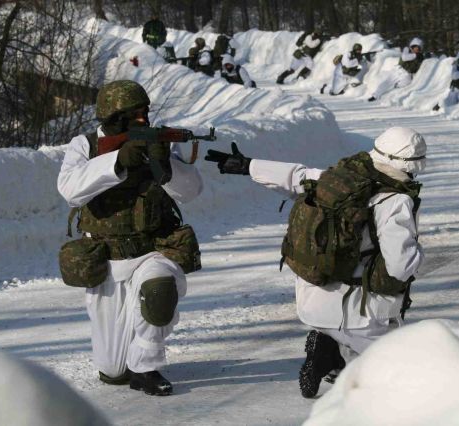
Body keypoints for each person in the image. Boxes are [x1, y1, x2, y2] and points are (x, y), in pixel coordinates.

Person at [204, 126, 426, 398]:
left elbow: (296, 176)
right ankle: (334, 357)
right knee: (396, 371)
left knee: (358, 354)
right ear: (413, 164)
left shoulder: (337, 179)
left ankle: (328, 351)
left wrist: (248, 165)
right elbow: (400, 266)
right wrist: (418, 252)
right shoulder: (395, 200)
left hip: (312, 299)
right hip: (358, 314)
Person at [57, 80, 203, 396]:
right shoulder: (85, 146)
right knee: (112, 371)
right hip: (106, 259)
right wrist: (119, 160)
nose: (142, 119)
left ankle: (145, 367)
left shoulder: (160, 141)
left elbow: (191, 191)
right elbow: (69, 190)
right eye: (134, 114)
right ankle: (124, 368)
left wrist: (163, 163)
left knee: (159, 290)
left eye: (144, 112)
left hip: (153, 251)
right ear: (113, 116)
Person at [368, 37, 424, 102]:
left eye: (418, 48)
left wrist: (423, 57)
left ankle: (392, 90)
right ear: (412, 46)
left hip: (407, 74)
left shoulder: (420, 56)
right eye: (415, 47)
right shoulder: (407, 49)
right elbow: (404, 58)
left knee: (406, 83)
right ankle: (375, 96)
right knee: (386, 82)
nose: (416, 49)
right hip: (398, 70)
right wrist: (415, 55)